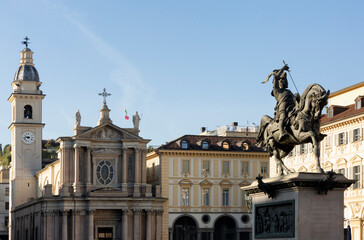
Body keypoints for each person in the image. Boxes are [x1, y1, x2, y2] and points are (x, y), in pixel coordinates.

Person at [269, 65, 295, 142]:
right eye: (284, 80)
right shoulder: (277, 91)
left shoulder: (289, 91)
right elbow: (276, 77)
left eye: (286, 80)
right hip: (282, 110)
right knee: (283, 117)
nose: (286, 81)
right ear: (280, 82)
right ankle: (281, 132)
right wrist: (283, 69)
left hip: (292, 108)